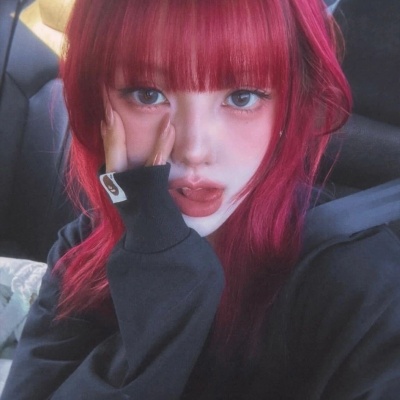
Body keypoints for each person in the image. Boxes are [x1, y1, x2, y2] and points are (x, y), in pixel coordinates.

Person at [2, 0, 400, 398]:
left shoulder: (363, 286)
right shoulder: (83, 252)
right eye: (148, 94)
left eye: (243, 97)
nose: (193, 150)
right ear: (99, 105)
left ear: (289, 108)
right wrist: (161, 277)